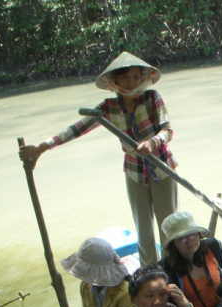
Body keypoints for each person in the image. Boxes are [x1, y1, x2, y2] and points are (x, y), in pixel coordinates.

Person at [18, 52, 178, 265]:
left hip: (162, 169)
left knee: (169, 226)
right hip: (134, 172)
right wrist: (42, 147)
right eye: (126, 77)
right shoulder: (107, 108)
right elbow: (76, 129)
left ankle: (173, 269)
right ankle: (151, 273)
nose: (131, 82)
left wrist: (151, 143)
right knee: (144, 229)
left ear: (142, 78)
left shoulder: (152, 98)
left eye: (136, 77)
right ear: (115, 81)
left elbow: (168, 131)